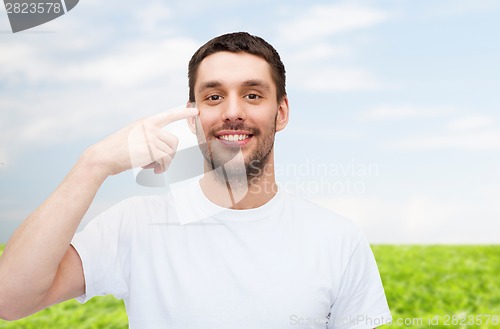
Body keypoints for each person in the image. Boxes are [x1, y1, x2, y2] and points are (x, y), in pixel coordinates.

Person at [0, 32, 392, 328]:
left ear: (282, 112)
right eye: (214, 97)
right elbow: (10, 299)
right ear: (193, 115)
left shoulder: (338, 239)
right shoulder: (136, 225)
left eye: (253, 95)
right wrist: (93, 163)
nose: (233, 112)